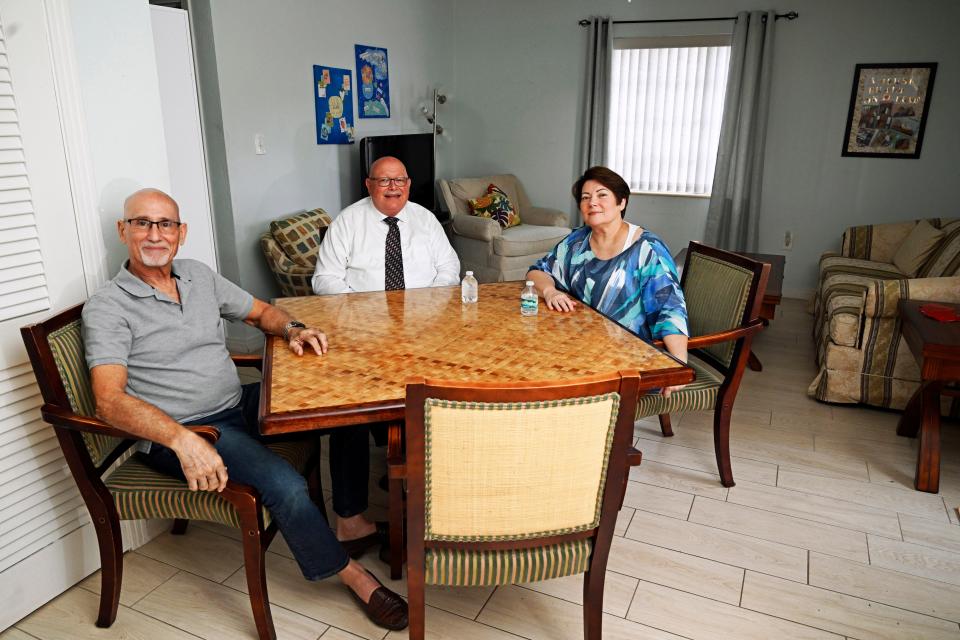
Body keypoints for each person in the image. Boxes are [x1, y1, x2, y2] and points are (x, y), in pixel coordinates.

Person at [82, 188, 408, 631]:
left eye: (166, 224)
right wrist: (181, 439)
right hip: (186, 431)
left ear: (182, 233)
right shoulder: (108, 306)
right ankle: (353, 576)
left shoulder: (196, 275)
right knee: (285, 485)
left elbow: (258, 313)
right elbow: (109, 400)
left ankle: (350, 521)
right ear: (124, 230)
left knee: (343, 409)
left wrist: (293, 328)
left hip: (237, 403)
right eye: (143, 223)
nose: (155, 235)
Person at [526, 166, 689, 396]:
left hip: (629, 364)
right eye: (585, 197)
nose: (592, 202)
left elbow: (670, 308)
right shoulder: (577, 241)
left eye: (602, 195)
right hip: (578, 350)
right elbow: (536, 273)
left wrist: (679, 364)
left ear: (621, 202)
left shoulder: (646, 249)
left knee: (546, 385)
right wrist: (550, 291)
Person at [312, 156, 460, 294]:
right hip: (364, 314)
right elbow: (325, 278)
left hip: (425, 310)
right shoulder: (346, 221)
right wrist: (355, 307)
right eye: (384, 180)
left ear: (408, 184)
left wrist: (434, 297)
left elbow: (449, 265)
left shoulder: (426, 218)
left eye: (400, 180)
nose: (393, 187)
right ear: (369, 185)